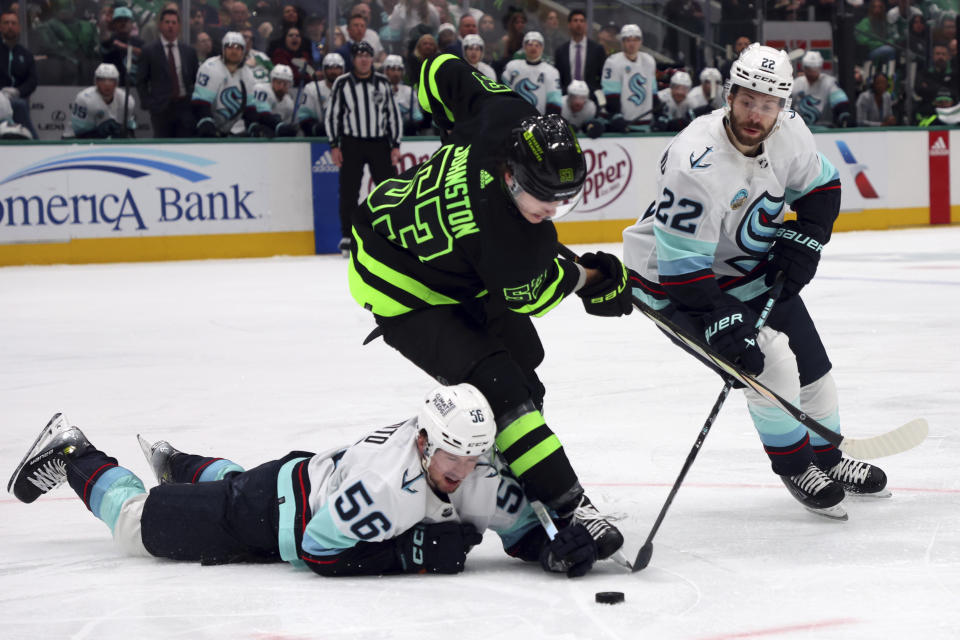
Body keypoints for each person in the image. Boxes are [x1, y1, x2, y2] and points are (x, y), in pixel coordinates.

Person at [347, 53, 632, 561]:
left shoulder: (504, 115)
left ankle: (514, 474)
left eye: (564, 204)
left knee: (526, 360)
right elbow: (540, 289)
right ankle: (572, 508)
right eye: (544, 203)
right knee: (503, 386)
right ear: (512, 177)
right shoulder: (510, 246)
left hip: (454, 264)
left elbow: (438, 68)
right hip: (398, 282)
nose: (551, 215)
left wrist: (454, 133)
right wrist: (592, 279)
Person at [622, 44, 889, 521]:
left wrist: (807, 237)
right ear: (729, 96)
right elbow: (683, 266)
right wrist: (720, 319)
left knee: (814, 366)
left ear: (784, 107)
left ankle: (827, 456)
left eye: (768, 104)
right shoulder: (695, 162)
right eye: (747, 100)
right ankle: (796, 465)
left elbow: (823, 188)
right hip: (668, 278)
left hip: (743, 267)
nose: (755, 113)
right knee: (772, 368)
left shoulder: (791, 134)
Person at [6, 384, 599, 578]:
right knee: (139, 528)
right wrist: (410, 555)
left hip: (302, 475)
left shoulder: (472, 469)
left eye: (473, 458)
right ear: (423, 440)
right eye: (450, 454)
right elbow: (319, 549)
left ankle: (177, 462)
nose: (461, 471)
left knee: (236, 482)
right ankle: (75, 452)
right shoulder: (384, 487)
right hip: (273, 515)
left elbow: (519, 527)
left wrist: (554, 550)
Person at [325, 40, 401, 256]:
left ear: (372, 59)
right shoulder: (342, 83)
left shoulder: (383, 83)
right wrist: (334, 145)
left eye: (367, 55)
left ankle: (392, 233)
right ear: (354, 60)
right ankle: (348, 237)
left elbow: (393, 115)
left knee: (390, 190)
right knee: (348, 191)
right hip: (351, 143)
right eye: (360, 56)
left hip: (379, 143)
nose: (364, 59)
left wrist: (395, 144)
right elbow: (333, 116)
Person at [137, 9, 199, 138]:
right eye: (167, 22)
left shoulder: (189, 51)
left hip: (185, 107)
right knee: (163, 144)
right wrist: (149, 104)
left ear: (179, 26)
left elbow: (195, 79)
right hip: (161, 109)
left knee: (185, 144)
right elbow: (141, 81)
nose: (170, 25)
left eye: (174, 22)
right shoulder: (149, 50)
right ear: (160, 25)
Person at [192, 31, 258, 137]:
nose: (234, 51)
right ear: (223, 49)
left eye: (238, 48)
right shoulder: (210, 67)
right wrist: (206, 121)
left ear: (243, 51)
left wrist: (253, 125)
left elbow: (249, 107)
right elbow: (201, 102)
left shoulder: (248, 74)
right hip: (207, 131)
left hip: (232, 131)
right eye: (230, 47)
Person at [601, 24, 657, 130]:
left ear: (640, 41)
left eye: (636, 40)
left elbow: (653, 92)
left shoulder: (649, 61)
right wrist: (616, 115)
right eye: (628, 40)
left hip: (645, 123)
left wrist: (659, 115)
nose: (632, 44)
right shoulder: (613, 62)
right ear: (622, 42)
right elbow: (611, 95)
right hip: (623, 124)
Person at [68, 63, 137, 138]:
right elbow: (78, 131)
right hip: (78, 140)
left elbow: (130, 132)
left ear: (116, 83)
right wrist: (98, 131)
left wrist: (122, 131)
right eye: (102, 80)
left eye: (111, 80)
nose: (107, 84)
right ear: (96, 82)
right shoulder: (84, 99)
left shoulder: (127, 100)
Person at [501, 31, 562, 115]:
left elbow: (554, 101)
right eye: (530, 44)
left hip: (539, 120)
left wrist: (548, 122)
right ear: (524, 46)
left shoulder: (551, 72)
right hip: (513, 117)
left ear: (542, 48)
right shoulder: (512, 66)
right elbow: (503, 93)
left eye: (537, 45)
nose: (533, 48)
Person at [0, 10, 38, 139]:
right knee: (19, 105)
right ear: (1, 27)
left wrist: (17, 91)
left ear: (19, 27)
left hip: (18, 98)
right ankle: (34, 142)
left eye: (13, 23)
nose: (10, 26)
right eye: (6, 23)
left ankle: (33, 143)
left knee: (19, 104)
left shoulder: (26, 54)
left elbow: (33, 80)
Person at [554, 9, 606, 101]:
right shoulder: (561, 51)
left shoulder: (597, 49)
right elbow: (558, 77)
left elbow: (603, 75)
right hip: (566, 97)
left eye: (582, 21)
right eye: (575, 20)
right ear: (569, 24)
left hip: (590, 96)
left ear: (585, 25)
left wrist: (595, 91)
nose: (579, 24)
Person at [791, 51, 853, 128]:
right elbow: (786, 105)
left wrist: (844, 115)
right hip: (799, 129)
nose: (812, 73)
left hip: (824, 128)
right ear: (804, 68)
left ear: (820, 68)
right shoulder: (796, 83)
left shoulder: (829, 82)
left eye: (815, 69)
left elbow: (840, 103)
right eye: (809, 69)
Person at [298, 52, 343, 137]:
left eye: (337, 68)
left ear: (342, 70)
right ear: (324, 70)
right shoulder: (311, 89)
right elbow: (304, 118)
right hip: (318, 140)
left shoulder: (349, 89)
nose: (333, 71)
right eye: (329, 68)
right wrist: (317, 129)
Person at [248, 63, 298, 137]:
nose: (281, 87)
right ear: (272, 81)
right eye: (278, 82)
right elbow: (261, 116)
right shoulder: (262, 90)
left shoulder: (289, 104)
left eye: (285, 84)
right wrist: (279, 126)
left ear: (290, 85)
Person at [98, 6, 143, 87]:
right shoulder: (108, 42)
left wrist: (126, 47)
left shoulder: (140, 43)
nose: (123, 23)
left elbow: (147, 56)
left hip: (136, 89)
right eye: (119, 21)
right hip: (111, 88)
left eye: (126, 20)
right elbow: (104, 50)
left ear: (132, 24)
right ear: (114, 24)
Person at [383, 54, 426, 136]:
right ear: (386, 71)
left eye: (399, 70)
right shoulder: (378, 90)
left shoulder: (409, 91)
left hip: (406, 132)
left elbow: (417, 115)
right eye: (393, 69)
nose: (396, 73)